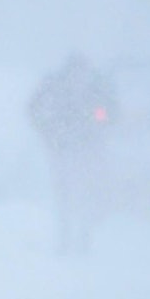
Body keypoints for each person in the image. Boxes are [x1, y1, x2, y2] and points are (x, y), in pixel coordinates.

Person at [28, 53, 117, 254]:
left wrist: (99, 123)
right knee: (65, 196)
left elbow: (105, 112)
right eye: (76, 72)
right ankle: (66, 239)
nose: (78, 78)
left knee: (83, 195)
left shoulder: (94, 88)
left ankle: (82, 238)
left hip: (84, 149)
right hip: (62, 148)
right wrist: (46, 130)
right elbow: (34, 108)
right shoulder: (56, 85)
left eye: (81, 73)